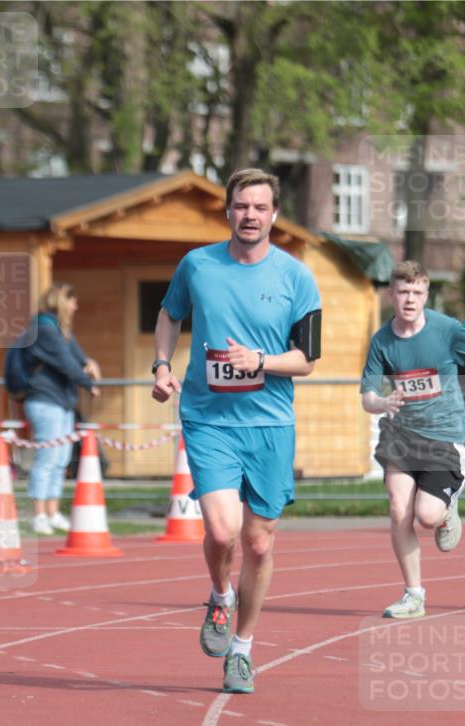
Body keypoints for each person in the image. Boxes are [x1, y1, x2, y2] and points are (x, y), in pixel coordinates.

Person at [151, 167, 321, 694]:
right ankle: (220, 596)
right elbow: (168, 314)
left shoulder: (297, 277)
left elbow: (308, 359)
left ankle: (243, 651)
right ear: (228, 211)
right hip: (208, 419)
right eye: (241, 206)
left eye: (260, 207)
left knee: (260, 543)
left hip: (270, 423)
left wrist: (261, 361)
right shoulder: (197, 265)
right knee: (223, 533)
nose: (250, 215)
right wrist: (161, 365)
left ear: (274, 215)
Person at [361, 260, 465, 620]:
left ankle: (446, 508)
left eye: (418, 292)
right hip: (401, 435)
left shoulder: (446, 329)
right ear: (391, 293)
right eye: (404, 292)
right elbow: (367, 396)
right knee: (398, 510)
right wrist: (382, 402)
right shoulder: (381, 341)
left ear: (426, 294)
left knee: (427, 515)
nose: (410, 299)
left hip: (445, 435)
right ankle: (413, 594)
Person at [23, 283, 100, 534]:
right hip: (45, 401)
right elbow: (67, 363)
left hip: (62, 401)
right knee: (47, 459)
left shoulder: (59, 329)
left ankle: (52, 511)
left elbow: (77, 356)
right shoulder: (44, 328)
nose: (75, 306)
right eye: (72, 300)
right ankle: (38, 515)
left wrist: (89, 363)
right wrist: (89, 384)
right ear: (60, 302)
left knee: (60, 460)